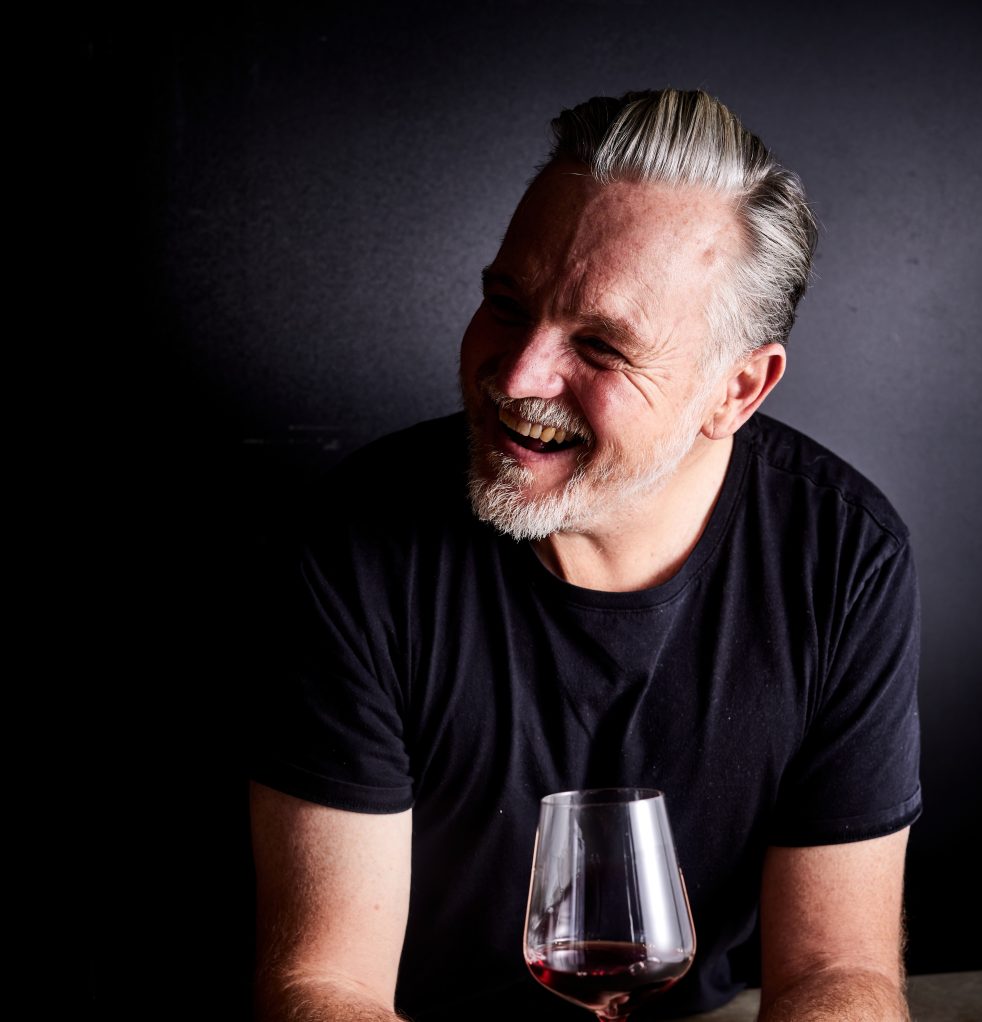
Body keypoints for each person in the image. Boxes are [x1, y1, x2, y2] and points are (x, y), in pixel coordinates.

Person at [248, 88, 921, 1022]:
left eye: (600, 346)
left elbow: (836, 972)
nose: (516, 376)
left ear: (736, 389)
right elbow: (324, 984)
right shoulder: (355, 547)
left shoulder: (843, 557)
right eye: (505, 303)